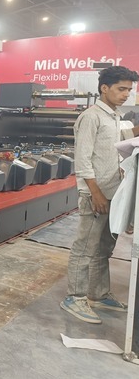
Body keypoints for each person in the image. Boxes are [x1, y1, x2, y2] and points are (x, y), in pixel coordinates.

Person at [60, 65, 139, 324]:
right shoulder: (91, 117)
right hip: (95, 195)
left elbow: (125, 138)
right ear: (104, 88)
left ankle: (98, 293)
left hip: (113, 192)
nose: (126, 94)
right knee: (85, 247)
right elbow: (82, 161)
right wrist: (96, 193)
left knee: (104, 247)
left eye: (129, 89)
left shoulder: (115, 116)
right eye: (121, 89)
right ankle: (74, 297)